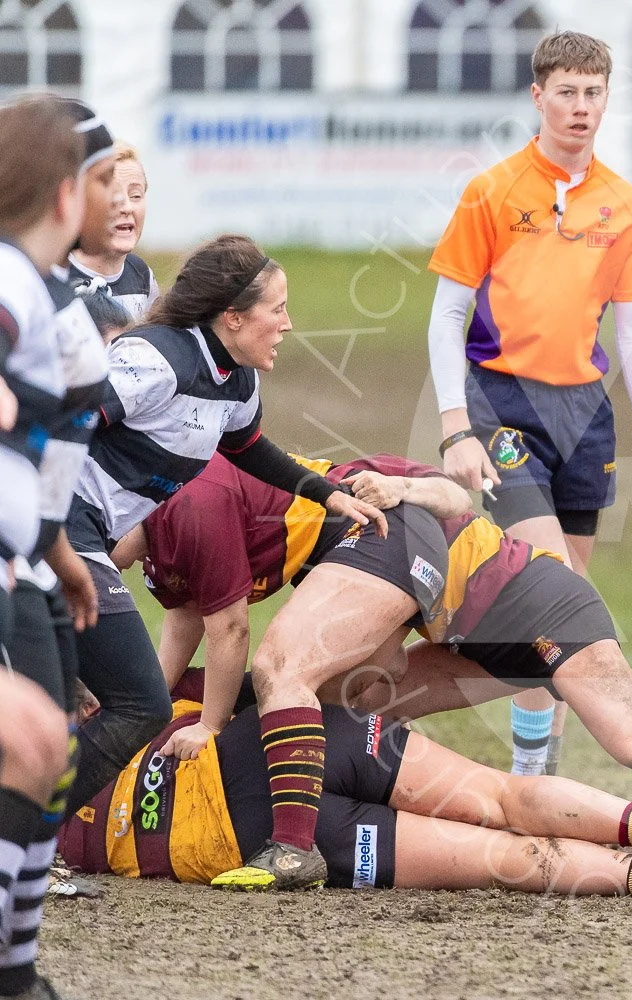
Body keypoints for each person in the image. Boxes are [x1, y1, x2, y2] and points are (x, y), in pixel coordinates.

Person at [116, 455, 632, 901]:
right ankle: (391, 818)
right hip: (467, 643)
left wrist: (401, 484)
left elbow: (459, 502)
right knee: (350, 707)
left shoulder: (356, 492)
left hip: (544, 609)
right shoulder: (303, 539)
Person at [63, 234, 386, 826]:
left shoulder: (235, 380)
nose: (289, 324)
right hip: (60, 526)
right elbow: (63, 418)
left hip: (81, 534)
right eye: (278, 309)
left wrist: (327, 494)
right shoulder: (158, 359)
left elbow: (246, 446)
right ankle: (26, 834)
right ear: (232, 317)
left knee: (82, 696)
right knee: (136, 702)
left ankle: (27, 845)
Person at [427, 30, 632, 777]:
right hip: (502, 407)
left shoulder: (624, 205)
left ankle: (540, 772)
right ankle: (531, 778)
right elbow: (445, 317)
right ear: (538, 97)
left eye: (593, 92)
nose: (580, 107)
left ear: (607, 99)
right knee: (554, 583)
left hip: (585, 416)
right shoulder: (492, 192)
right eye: (565, 92)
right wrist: (455, 429)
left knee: (565, 601)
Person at [56, 671, 632, 901]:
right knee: (504, 797)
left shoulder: (45, 832)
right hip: (289, 744)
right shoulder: (115, 704)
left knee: (507, 860)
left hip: (248, 834)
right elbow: (244, 678)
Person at [107, 451, 474, 761]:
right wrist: (145, 705)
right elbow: (186, 618)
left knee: (285, 678)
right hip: (367, 548)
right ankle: (373, 802)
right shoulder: (157, 540)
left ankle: (292, 840)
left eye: (94, 543)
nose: (96, 565)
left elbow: (231, 628)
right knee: (328, 707)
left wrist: (209, 726)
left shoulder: (192, 503)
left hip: (384, 534)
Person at [0, 93, 104, 1000]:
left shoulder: (38, 285)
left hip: (26, 555)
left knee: (47, 746)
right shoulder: (9, 280)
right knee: (31, 744)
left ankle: (21, 970)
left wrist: (56, 549)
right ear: (67, 194)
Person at [66, 143, 156, 323]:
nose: (127, 208)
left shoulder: (143, 276)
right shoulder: (58, 276)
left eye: (136, 195)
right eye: (113, 195)